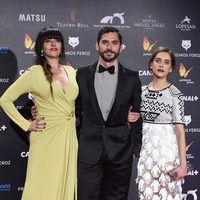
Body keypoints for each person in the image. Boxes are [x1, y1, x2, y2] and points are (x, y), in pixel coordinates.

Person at [0, 27, 79, 200]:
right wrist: (27, 125)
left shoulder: (72, 72)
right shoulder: (34, 73)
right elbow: (5, 100)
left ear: (62, 45)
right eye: (48, 40)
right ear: (40, 48)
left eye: (57, 40)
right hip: (45, 137)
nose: (53, 44)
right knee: (41, 185)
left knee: (64, 184)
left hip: (68, 137)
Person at [76, 26, 142, 200]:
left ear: (120, 47)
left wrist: (136, 148)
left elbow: (137, 115)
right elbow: (73, 110)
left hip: (120, 151)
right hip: (88, 149)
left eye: (114, 43)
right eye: (105, 42)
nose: (109, 47)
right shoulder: (81, 75)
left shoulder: (132, 78)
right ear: (97, 45)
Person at [128, 46, 187, 200]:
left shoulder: (175, 94)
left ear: (171, 68)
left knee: (168, 195)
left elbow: (180, 132)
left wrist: (183, 165)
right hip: (146, 153)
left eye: (166, 62)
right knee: (146, 194)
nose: (161, 65)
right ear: (151, 64)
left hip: (168, 153)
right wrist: (128, 116)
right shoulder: (141, 92)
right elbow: (133, 119)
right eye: (158, 61)